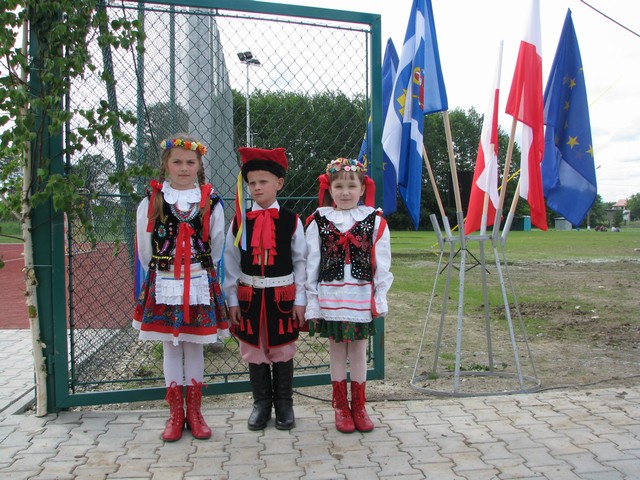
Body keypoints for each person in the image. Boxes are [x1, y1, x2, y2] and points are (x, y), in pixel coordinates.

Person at [133, 134, 229, 442]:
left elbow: (217, 245)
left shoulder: (210, 201)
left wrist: (199, 270)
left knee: (195, 345)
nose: (184, 168)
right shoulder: (152, 200)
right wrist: (164, 270)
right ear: (166, 165)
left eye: (190, 162)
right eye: (177, 162)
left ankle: (195, 413)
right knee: (171, 347)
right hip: (164, 280)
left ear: (199, 165)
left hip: (199, 280)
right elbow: (144, 248)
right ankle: (176, 414)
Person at [304, 157, 393, 433]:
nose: (345, 192)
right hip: (331, 296)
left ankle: (359, 406)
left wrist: (380, 296)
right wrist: (312, 301)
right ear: (329, 189)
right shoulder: (319, 220)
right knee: (336, 350)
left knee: (358, 350)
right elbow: (312, 263)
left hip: (359, 295)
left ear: (362, 188)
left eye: (351, 186)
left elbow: (383, 262)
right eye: (339, 186)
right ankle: (341, 407)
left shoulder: (374, 220)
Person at [223, 146, 307, 431]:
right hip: (249, 298)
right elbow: (231, 262)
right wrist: (232, 300)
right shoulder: (239, 221)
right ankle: (261, 403)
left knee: (282, 350)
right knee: (254, 350)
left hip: (282, 298)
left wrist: (301, 300)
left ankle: (284, 403)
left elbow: (301, 262)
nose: (256, 187)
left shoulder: (292, 221)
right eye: (251, 183)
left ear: (279, 183)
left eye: (263, 181)